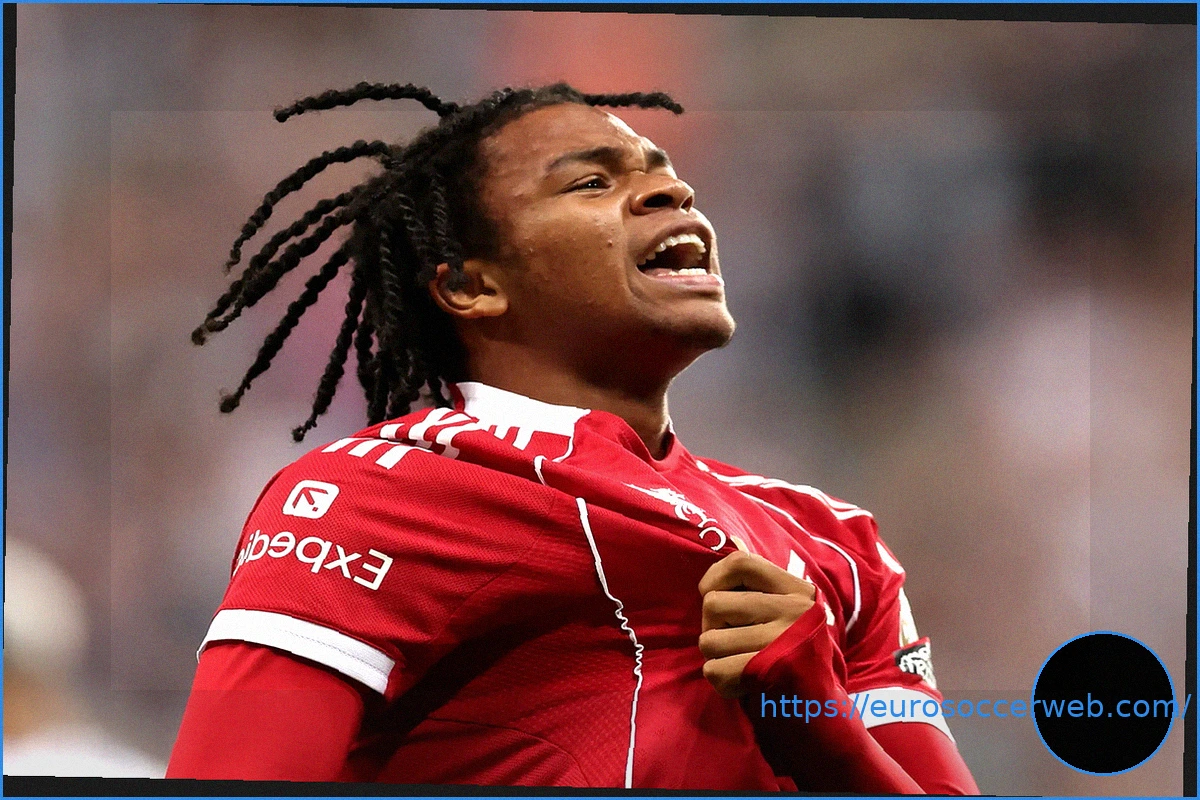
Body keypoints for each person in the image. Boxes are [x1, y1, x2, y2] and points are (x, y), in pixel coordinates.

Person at [167, 82, 979, 793]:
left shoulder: (840, 546)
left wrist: (819, 723)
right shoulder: (375, 494)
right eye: (592, 182)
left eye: (666, 176)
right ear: (471, 285)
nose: (673, 193)